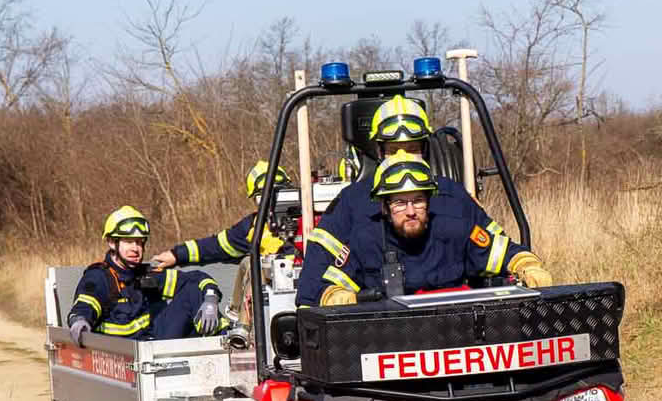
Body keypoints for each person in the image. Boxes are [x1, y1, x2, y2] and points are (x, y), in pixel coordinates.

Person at [298, 95, 533, 305]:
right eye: (393, 150)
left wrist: (524, 262)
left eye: (411, 149)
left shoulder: (453, 197)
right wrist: (332, 296)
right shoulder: (351, 203)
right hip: (377, 330)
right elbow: (315, 282)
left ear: (426, 149)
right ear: (379, 152)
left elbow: (493, 249)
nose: (403, 158)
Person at [305, 154, 552, 306]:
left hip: (456, 336)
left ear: (429, 201)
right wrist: (339, 297)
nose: (411, 211)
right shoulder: (365, 239)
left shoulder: (455, 227)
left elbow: (504, 251)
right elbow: (329, 287)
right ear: (384, 206)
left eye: (418, 201)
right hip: (392, 343)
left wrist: (527, 265)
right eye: (400, 202)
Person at [67, 206, 229, 343]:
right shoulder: (99, 276)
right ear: (111, 242)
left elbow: (193, 279)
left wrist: (210, 299)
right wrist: (80, 320)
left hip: (155, 347)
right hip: (121, 356)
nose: (135, 248)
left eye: (139, 242)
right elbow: (85, 304)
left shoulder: (145, 275)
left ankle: (227, 341)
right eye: (129, 242)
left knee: (193, 290)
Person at [150, 160, 296, 270]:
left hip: (311, 300)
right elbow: (216, 246)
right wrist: (177, 255)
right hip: (274, 298)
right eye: (265, 196)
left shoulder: (314, 217)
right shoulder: (252, 229)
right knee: (249, 265)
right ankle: (236, 310)